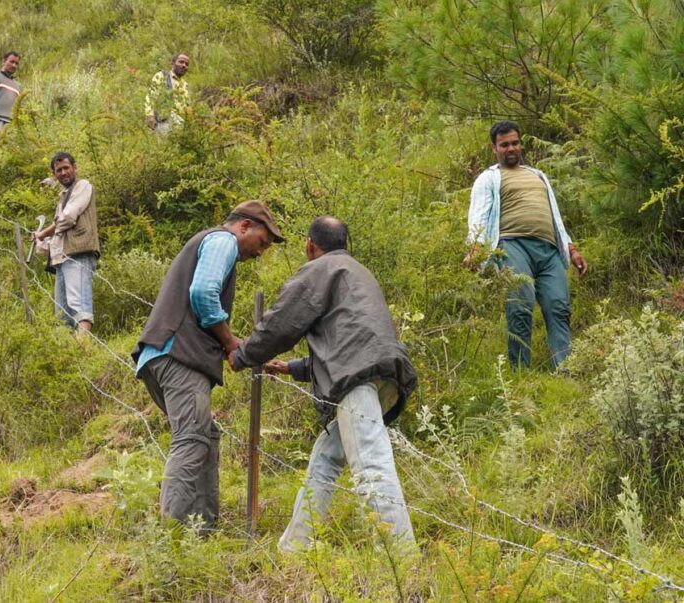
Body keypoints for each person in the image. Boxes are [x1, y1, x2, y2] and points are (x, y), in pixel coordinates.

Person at [229, 216, 418, 553]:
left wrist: (243, 355)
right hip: (384, 377)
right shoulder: (358, 272)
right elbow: (345, 341)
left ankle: (402, 562)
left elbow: (282, 325)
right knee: (326, 458)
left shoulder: (319, 270)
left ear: (310, 244)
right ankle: (294, 547)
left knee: (371, 465)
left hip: (358, 378)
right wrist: (291, 368)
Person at [132, 201, 284, 529]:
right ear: (244, 226)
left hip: (161, 356)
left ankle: (201, 531)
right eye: (262, 242)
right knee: (191, 439)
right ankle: (172, 541)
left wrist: (235, 343)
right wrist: (229, 342)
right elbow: (203, 293)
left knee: (206, 437)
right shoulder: (222, 241)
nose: (261, 253)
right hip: (179, 358)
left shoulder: (211, 242)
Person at [464, 120, 588, 369]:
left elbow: (555, 217)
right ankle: (520, 370)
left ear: (521, 144)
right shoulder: (489, 178)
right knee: (521, 302)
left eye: (515, 143)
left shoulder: (538, 176)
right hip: (512, 245)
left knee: (558, 306)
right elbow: (478, 216)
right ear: (494, 148)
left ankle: (565, 369)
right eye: (504, 145)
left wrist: (571, 249)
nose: (511, 149)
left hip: (549, 250)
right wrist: (475, 250)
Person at [33, 152, 99, 333]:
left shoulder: (83, 186)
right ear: (54, 174)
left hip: (79, 253)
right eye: (58, 170)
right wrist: (41, 240)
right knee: (62, 315)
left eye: (66, 168)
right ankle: (69, 354)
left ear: (74, 168)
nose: (63, 173)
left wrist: (44, 232)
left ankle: (84, 346)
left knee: (79, 305)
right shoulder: (63, 198)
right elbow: (59, 233)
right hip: (62, 258)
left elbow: (68, 218)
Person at [144, 53, 191, 135]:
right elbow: (151, 96)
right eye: (181, 62)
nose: (184, 65)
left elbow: (187, 106)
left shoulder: (185, 85)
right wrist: (149, 115)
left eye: (186, 64)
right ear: (172, 64)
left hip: (180, 126)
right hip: (163, 123)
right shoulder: (162, 76)